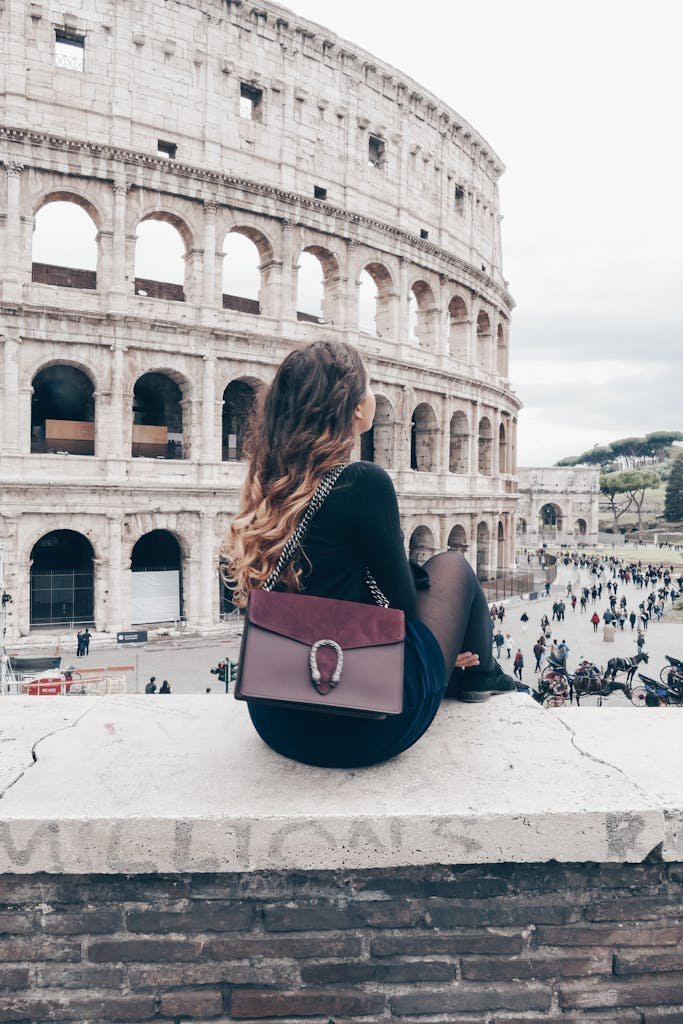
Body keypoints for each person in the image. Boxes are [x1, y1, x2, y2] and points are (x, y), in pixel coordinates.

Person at [222, 341, 516, 769]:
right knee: (452, 566)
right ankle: (480, 674)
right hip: (368, 719)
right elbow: (402, 608)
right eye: (368, 387)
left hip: (277, 715)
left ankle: (475, 673)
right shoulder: (362, 481)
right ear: (356, 409)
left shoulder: (268, 481)